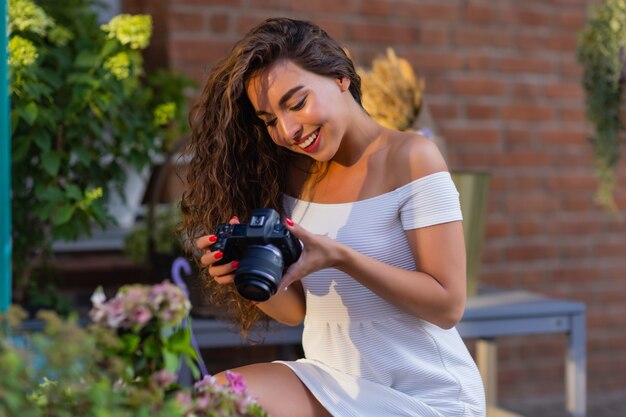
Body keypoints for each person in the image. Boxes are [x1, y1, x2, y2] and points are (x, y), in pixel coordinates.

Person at [180, 17, 485, 417]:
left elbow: (448, 305)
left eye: (297, 102)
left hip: (427, 394)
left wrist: (341, 257)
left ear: (340, 76)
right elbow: (297, 312)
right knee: (214, 400)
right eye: (270, 120)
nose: (287, 130)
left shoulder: (410, 157)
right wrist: (242, 273)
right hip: (333, 380)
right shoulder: (292, 176)